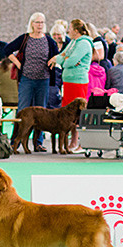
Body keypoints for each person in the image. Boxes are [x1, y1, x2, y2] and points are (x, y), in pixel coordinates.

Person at [4, 13, 57, 152]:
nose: (40, 25)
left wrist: (54, 59)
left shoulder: (49, 41)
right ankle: (15, 141)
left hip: (43, 80)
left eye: (42, 22)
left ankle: (38, 143)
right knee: (22, 110)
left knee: (42, 113)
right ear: (32, 23)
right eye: (37, 22)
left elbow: (57, 54)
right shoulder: (25, 38)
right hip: (27, 79)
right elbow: (7, 49)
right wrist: (17, 62)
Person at [50, 19, 95, 153]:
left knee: (77, 114)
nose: (67, 31)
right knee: (67, 114)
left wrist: (62, 61)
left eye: (69, 28)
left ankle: (80, 142)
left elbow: (71, 60)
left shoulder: (84, 44)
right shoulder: (74, 42)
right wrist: (64, 59)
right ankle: (70, 142)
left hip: (78, 82)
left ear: (76, 30)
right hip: (69, 81)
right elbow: (65, 55)